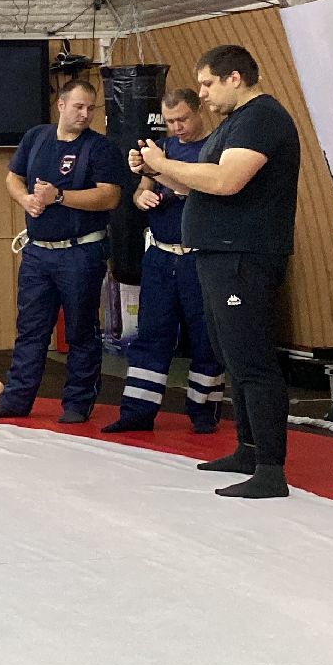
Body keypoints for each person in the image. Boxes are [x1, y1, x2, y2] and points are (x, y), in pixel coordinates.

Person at [133, 45, 301, 499]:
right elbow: (197, 185)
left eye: (207, 83)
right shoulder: (234, 125)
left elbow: (227, 182)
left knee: (252, 360)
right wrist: (157, 170)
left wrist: (166, 163)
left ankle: (270, 468)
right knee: (232, 357)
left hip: (243, 256)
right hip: (218, 254)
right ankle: (248, 448)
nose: (202, 94)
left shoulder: (262, 119)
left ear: (234, 78)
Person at [0, 80, 128, 425]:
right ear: (61, 106)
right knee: (30, 328)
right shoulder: (36, 137)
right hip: (38, 251)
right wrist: (26, 199)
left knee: (80, 330)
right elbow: (13, 178)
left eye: (91, 108)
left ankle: (77, 401)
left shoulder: (100, 148)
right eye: (78, 106)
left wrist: (59, 197)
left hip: (81, 250)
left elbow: (109, 197)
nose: (85, 114)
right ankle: (17, 398)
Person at [102, 89, 225, 435]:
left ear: (199, 110)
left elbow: (198, 190)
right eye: (170, 121)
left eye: (182, 119)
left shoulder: (215, 147)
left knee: (204, 338)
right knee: (150, 334)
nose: (177, 127)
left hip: (199, 258)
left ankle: (204, 414)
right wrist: (143, 197)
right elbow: (142, 190)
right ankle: (137, 412)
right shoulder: (164, 148)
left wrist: (159, 169)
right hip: (159, 253)